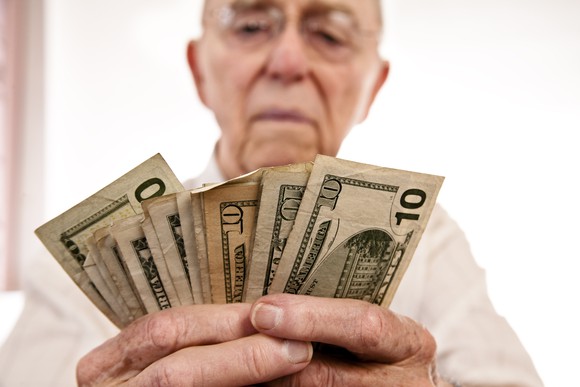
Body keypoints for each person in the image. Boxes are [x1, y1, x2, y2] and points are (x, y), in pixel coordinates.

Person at [0, 0, 543, 385]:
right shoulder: (94, 258)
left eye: (329, 34)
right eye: (252, 24)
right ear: (199, 72)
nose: (287, 63)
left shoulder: (431, 242)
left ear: (372, 86)